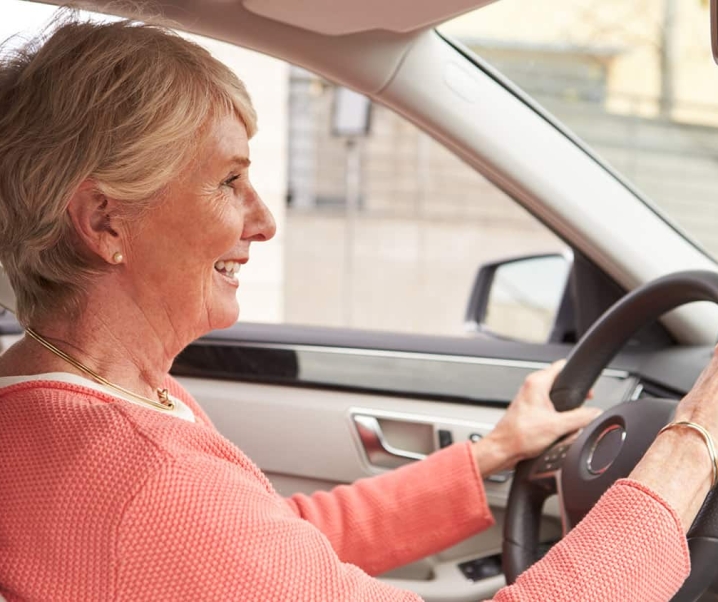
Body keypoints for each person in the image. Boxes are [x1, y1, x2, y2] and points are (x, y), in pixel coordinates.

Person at [0, 11, 714, 601]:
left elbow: (279, 543)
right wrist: (688, 450)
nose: (263, 220)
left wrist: (491, 453)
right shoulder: (148, 482)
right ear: (104, 222)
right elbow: (217, 536)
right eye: (228, 181)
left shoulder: (52, 398)